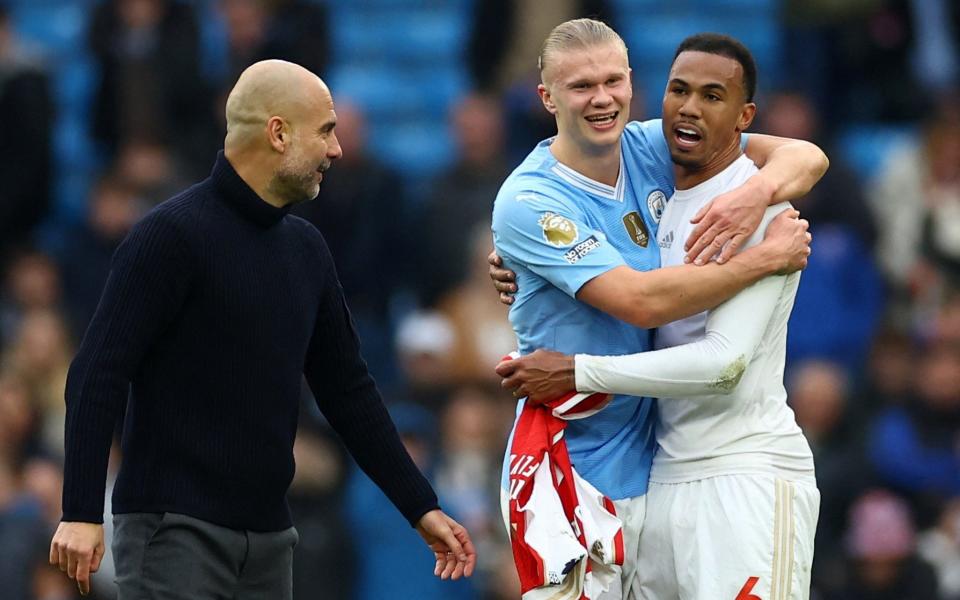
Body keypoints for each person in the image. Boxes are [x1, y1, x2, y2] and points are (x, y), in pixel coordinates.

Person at [48, 60, 476, 598]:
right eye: (326, 130)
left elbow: (349, 392)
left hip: (273, 542)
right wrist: (82, 510)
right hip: (174, 535)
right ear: (278, 133)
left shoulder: (307, 251)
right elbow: (97, 372)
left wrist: (420, 504)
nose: (337, 149)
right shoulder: (169, 237)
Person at [489, 19, 826, 598]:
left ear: (631, 84)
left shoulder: (650, 149)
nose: (601, 98)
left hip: (675, 468)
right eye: (580, 86)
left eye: (613, 81)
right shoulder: (529, 200)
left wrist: (759, 194)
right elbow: (641, 303)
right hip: (571, 469)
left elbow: (805, 155)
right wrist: (764, 260)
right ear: (546, 98)